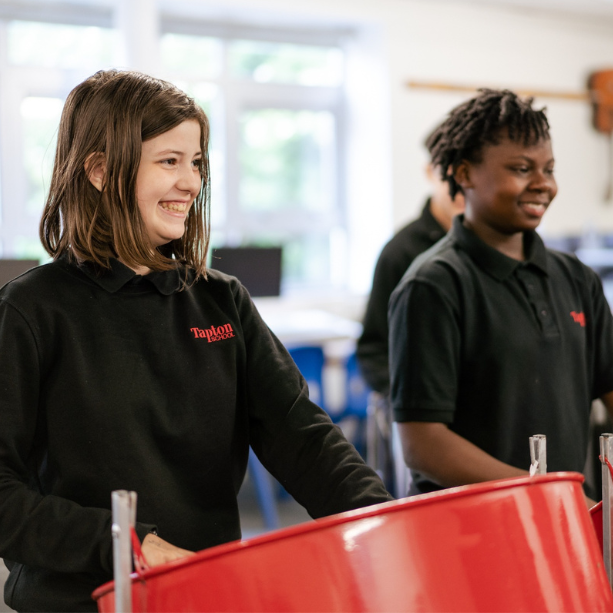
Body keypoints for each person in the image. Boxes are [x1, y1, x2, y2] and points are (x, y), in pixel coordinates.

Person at [0, 69, 392, 613]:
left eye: (197, 162)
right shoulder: (32, 310)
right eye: (169, 161)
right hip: (79, 600)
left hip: (206, 595)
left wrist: (386, 521)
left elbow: (303, 438)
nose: (192, 182)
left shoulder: (221, 300)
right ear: (98, 170)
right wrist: (132, 545)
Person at [388, 88, 613, 501]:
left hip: (560, 515)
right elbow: (422, 444)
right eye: (522, 168)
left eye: (549, 168)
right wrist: (543, 492)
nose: (543, 184)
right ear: (463, 174)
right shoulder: (433, 286)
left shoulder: (576, 278)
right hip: (471, 525)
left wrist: (556, 498)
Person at [357, 161, 465, 395]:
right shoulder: (399, 252)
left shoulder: (495, 247)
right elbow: (373, 350)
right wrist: (411, 403)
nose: (461, 186)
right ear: (430, 171)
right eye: (452, 174)